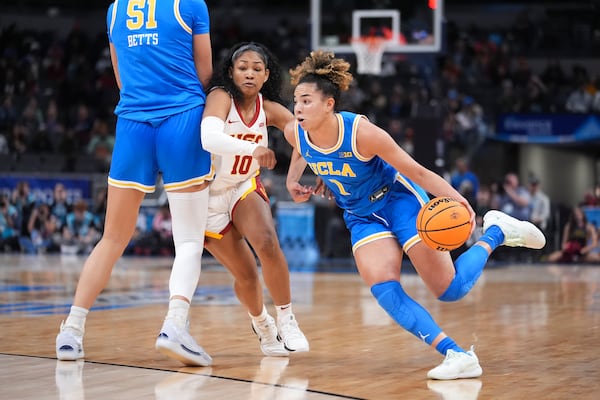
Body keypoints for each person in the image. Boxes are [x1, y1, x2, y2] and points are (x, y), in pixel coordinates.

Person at [283, 50, 546, 380]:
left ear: (329, 104)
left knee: (449, 290)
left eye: (306, 101)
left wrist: (461, 202)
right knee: (383, 288)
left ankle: (496, 232)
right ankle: (456, 353)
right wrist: (295, 178)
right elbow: (302, 150)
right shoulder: (295, 132)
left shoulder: (363, 133)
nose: (298, 108)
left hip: (399, 200)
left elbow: (418, 172)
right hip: (360, 215)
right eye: (296, 101)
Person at [56, 0, 215, 367]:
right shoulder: (191, 4)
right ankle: (175, 325)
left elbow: (120, 76)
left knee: (111, 238)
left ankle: (72, 329)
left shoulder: (114, 9)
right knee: (189, 239)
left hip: (133, 123)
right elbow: (204, 75)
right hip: (182, 118)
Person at [199, 42, 308, 356]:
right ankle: (262, 324)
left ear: (266, 75)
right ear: (231, 72)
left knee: (266, 241)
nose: (249, 73)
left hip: (242, 185)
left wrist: (296, 175)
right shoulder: (220, 97)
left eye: (256, 69)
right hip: (207, 197)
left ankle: (287, 318)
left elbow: (303, 136)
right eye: (243, 67)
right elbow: (209, 137)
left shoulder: (268, 108)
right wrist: (254, 149)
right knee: (246, 277)